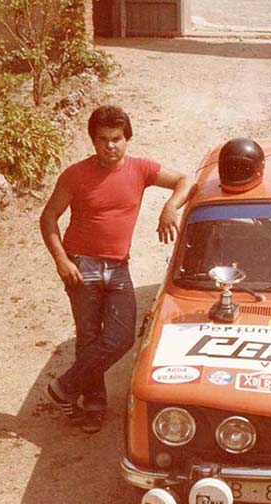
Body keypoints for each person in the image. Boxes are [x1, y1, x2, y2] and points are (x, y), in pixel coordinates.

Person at [39, 105, 194, 433]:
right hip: (81, 265)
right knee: (89, 337)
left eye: (117, 139)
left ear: (127, 139)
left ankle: (65, 387)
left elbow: (185, 180)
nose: (110, 146)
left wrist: (170, 207)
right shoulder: (75, 175)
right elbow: (48, 217)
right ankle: (93, 405)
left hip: (118, 266)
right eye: (103, 139)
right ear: (93, 141)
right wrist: (61, 260)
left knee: (121, 337)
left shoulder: (141, 169)